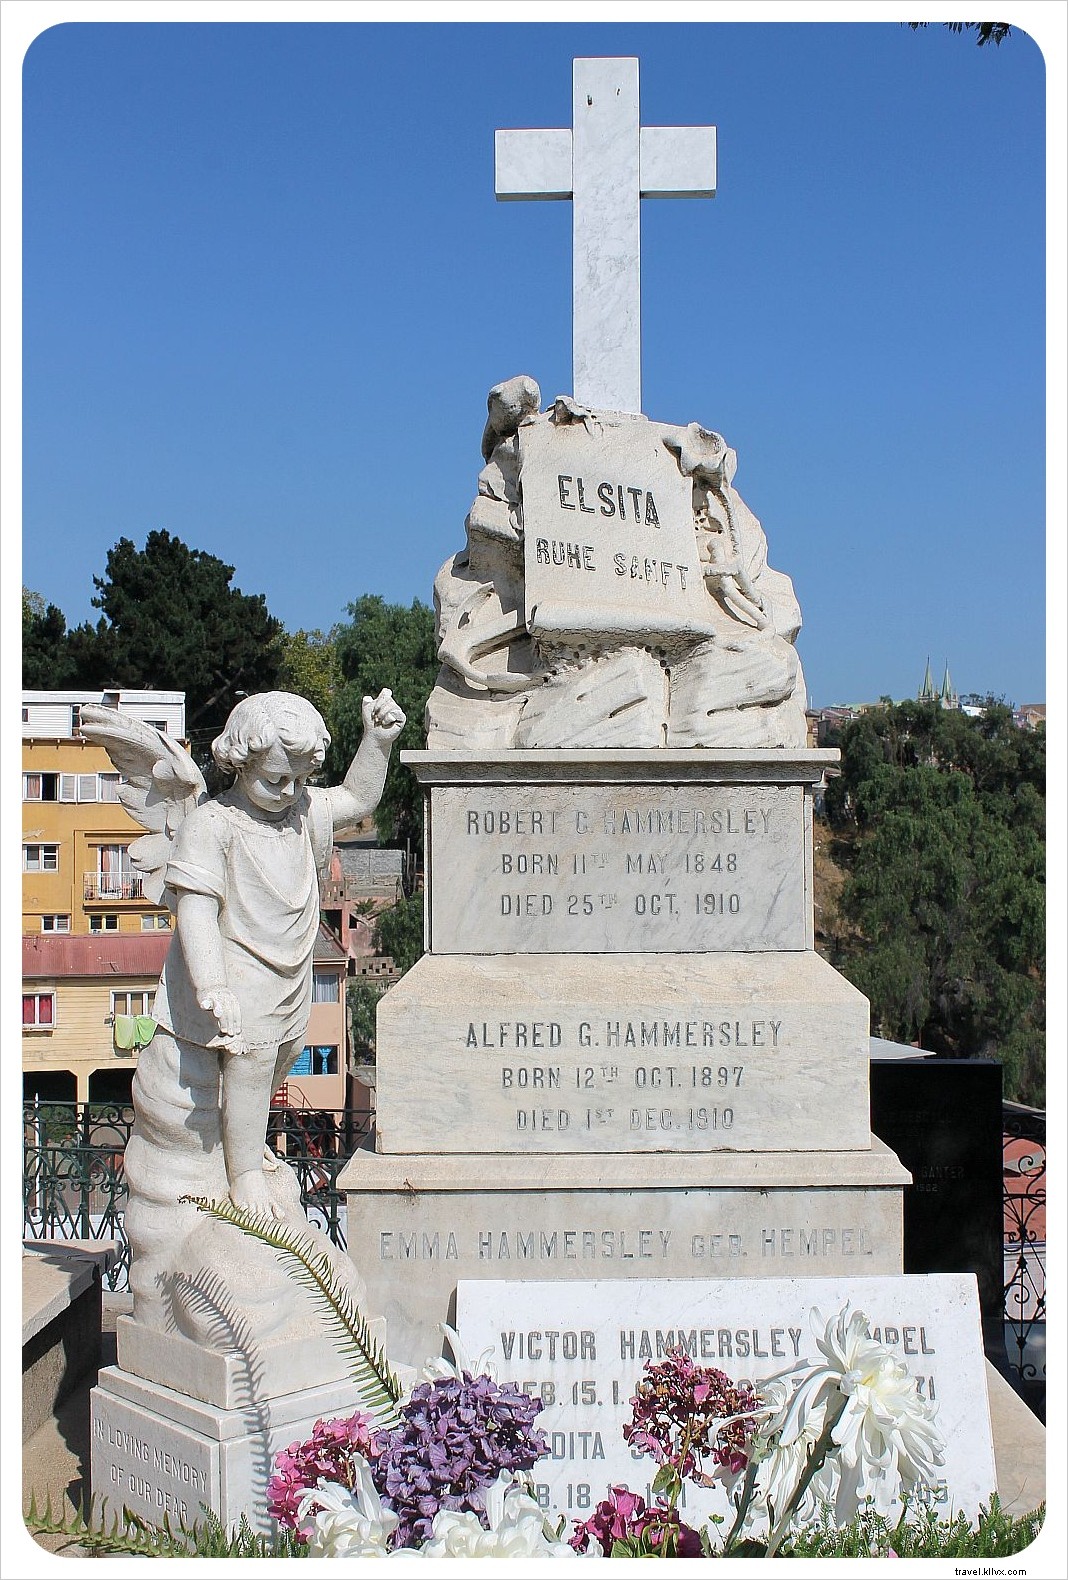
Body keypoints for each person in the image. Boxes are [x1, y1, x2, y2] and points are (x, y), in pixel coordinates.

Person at [161, 688, 405, 1217]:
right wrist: (212, 985)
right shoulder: (213, 824)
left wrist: (377, 743)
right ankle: (243, 1172)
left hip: (292, 964)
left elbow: (358, 800)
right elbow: (196, 910)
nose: (288, 790)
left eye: (299, 780)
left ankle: (244, 1143)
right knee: (251, 1061)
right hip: (241, 963)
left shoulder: (304, 812)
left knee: (288, 1051)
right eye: (274, 779)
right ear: (239, 763)